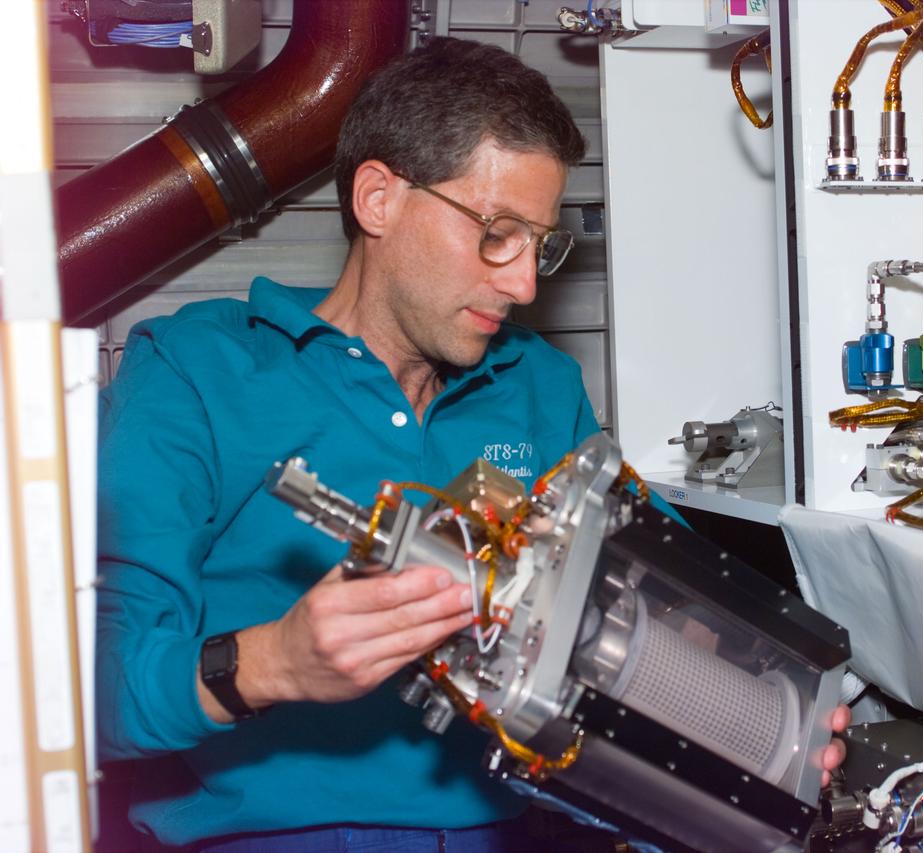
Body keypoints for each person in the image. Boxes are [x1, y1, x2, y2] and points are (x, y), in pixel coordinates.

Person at [97, 37, 848, 852]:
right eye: (497, 232)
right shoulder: (196, 371)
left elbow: (674, 593)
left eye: (542, 244)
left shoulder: (536, 386)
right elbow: (80, 698)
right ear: (379, 199)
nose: (524, 283)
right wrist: (274, 662)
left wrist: (769, 713)